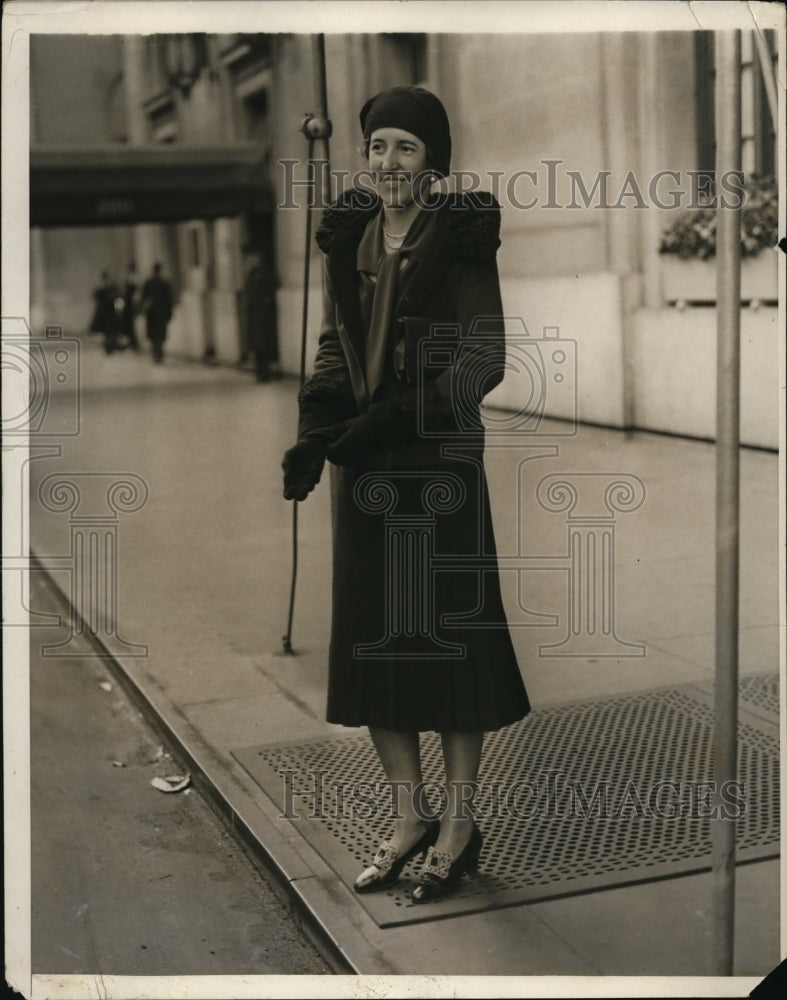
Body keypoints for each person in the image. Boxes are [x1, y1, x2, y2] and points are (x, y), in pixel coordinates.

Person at [282, 86, 530, 903]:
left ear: (433, 164)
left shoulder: (459, 240)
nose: (388, 164)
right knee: (377, 646)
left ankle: (458, 824)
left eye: (406, 149)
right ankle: (408, 819)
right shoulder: (347, 238)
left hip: (437, 471)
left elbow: (481, 361)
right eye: (378, 146)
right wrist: (316, 435)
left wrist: (389, 420)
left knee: (447, 655)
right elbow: (333, 346)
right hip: (366, 475)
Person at [241, 245, 280, 381]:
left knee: (264, 345)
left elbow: (272, 287)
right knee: (257, 346)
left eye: (253, 258)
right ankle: (260, 372)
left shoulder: (264, 273)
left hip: (263, 315)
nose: (250, 260)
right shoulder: (250, 274)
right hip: (254, 315)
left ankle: (265, 373)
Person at [141, 262, 173, 363]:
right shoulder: (163, 283)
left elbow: (143, 298)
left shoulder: (150, 283)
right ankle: (158, 352)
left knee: (155, 334)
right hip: (158, 313)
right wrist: (169, 313)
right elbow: (169, 300)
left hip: (154, 313)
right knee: (159, 334)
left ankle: (157, 352)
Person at [89, 269, 123, 354]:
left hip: (111, 310)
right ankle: (109, 345)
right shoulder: (101, 286)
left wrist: (118, 308)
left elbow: (118, 296)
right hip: (103, 311)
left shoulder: (112, 286)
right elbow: (95, 295)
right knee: (105, 328)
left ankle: (112, 344)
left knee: (111, 328)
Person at [122, 261, 140, 352]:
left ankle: (134, 343)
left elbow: (136, 292)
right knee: (129, 324)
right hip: (128, 303)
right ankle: (132, 343)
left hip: (132, 303)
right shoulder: (130, 277)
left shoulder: (135, 278)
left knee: (132, 324)